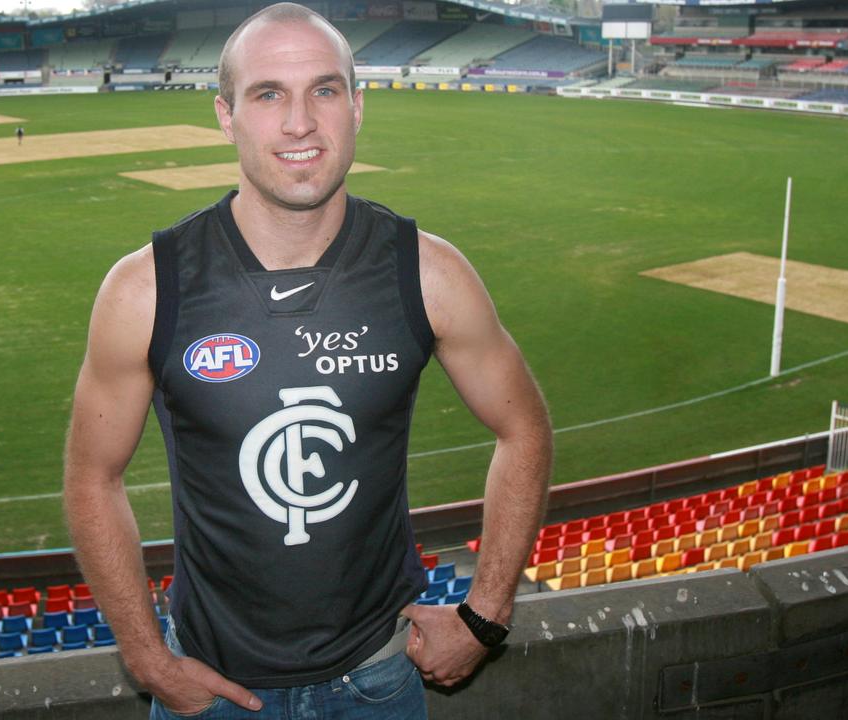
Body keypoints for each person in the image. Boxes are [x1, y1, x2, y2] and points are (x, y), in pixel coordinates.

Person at [63, 4, 552, 718]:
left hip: (378, 680)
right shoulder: (145, 289)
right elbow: (91, 476)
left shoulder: (428, 273)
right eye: (268, 95)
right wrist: (144, 654)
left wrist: (485, 614)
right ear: (226, 116)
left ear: (357, 107)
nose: (299, 123)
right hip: (212, 688)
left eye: (324, 91)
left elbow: (525, 429)